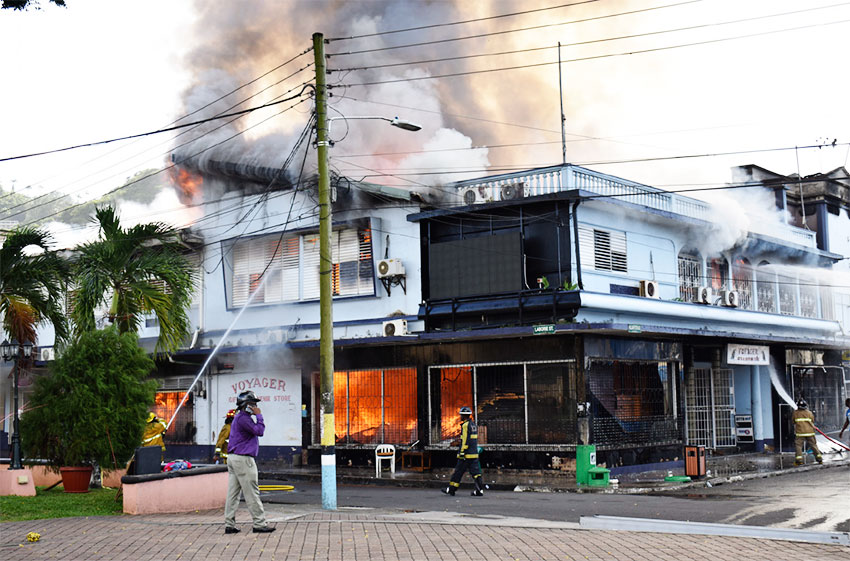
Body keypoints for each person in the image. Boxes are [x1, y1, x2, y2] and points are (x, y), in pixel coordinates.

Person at [224, 391, 275, 534]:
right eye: (252, 404)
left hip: (233, 458)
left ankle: (229, 524)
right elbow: (259, 431)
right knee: (252, 492)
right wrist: (259, 415)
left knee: (233, 494)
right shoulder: (244, 418)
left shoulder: (238, 418)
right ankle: (259, 523)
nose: (255, 406)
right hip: (243, 459)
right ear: (245, 405)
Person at [442, 406, 486, 497]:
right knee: (476, 473)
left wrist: (462, 452)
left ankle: (451, 489)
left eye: (461, 415)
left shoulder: (465, 425)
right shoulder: (473, 425)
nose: (460, 416)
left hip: (466, 455)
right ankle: (479, 490)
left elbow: (465, 440)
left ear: (463, 415)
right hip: (474, 454)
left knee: (458, 472)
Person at [792, 398, 822, 466]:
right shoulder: (809, 412)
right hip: (810, 432)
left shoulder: (795, 413)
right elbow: (813, 421)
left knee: (798, 446)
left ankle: (799, 460)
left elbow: (793, 421)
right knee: (813, 445)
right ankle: (819, 459)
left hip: (800, 433)